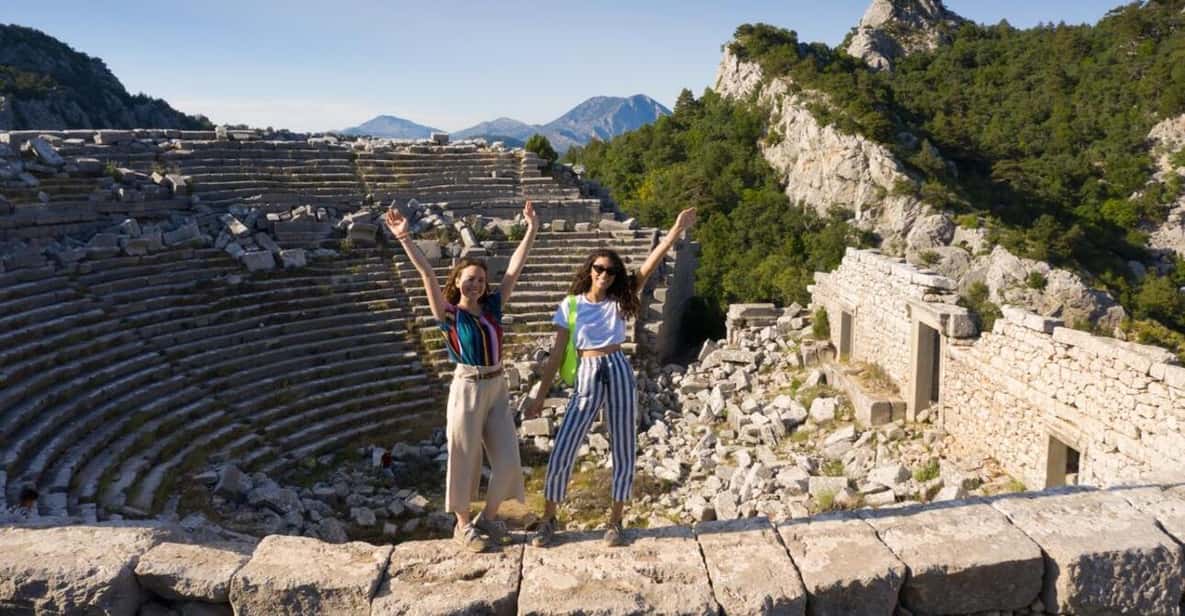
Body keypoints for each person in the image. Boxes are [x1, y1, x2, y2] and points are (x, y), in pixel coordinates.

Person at [525, 207, 696, 547]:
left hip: (617, 365)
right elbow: (558, 353)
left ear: (616, 276)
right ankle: (548, 519)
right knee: (564, 447)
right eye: (599, 268)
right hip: (587, 371)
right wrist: (540, 395)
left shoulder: (619, 301)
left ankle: (615, 521)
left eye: (610, 271)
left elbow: (648, 266)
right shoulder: (570, 304)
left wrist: (675, 231)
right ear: (589, 271)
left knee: (623, 445)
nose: (604, 274)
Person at [383, 201, 538, 552]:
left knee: (508, 459)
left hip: (497, 385)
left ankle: (492, 517)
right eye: (470, 279)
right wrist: (405, 237)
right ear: (457, 281)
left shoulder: (494, 306)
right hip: (467, 385)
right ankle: (464, 525)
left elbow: (515, 268)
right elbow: (425, 274)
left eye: (481, 280)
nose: (477, 284)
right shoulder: (449, 314)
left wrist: (531, 229)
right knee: (464, 456)